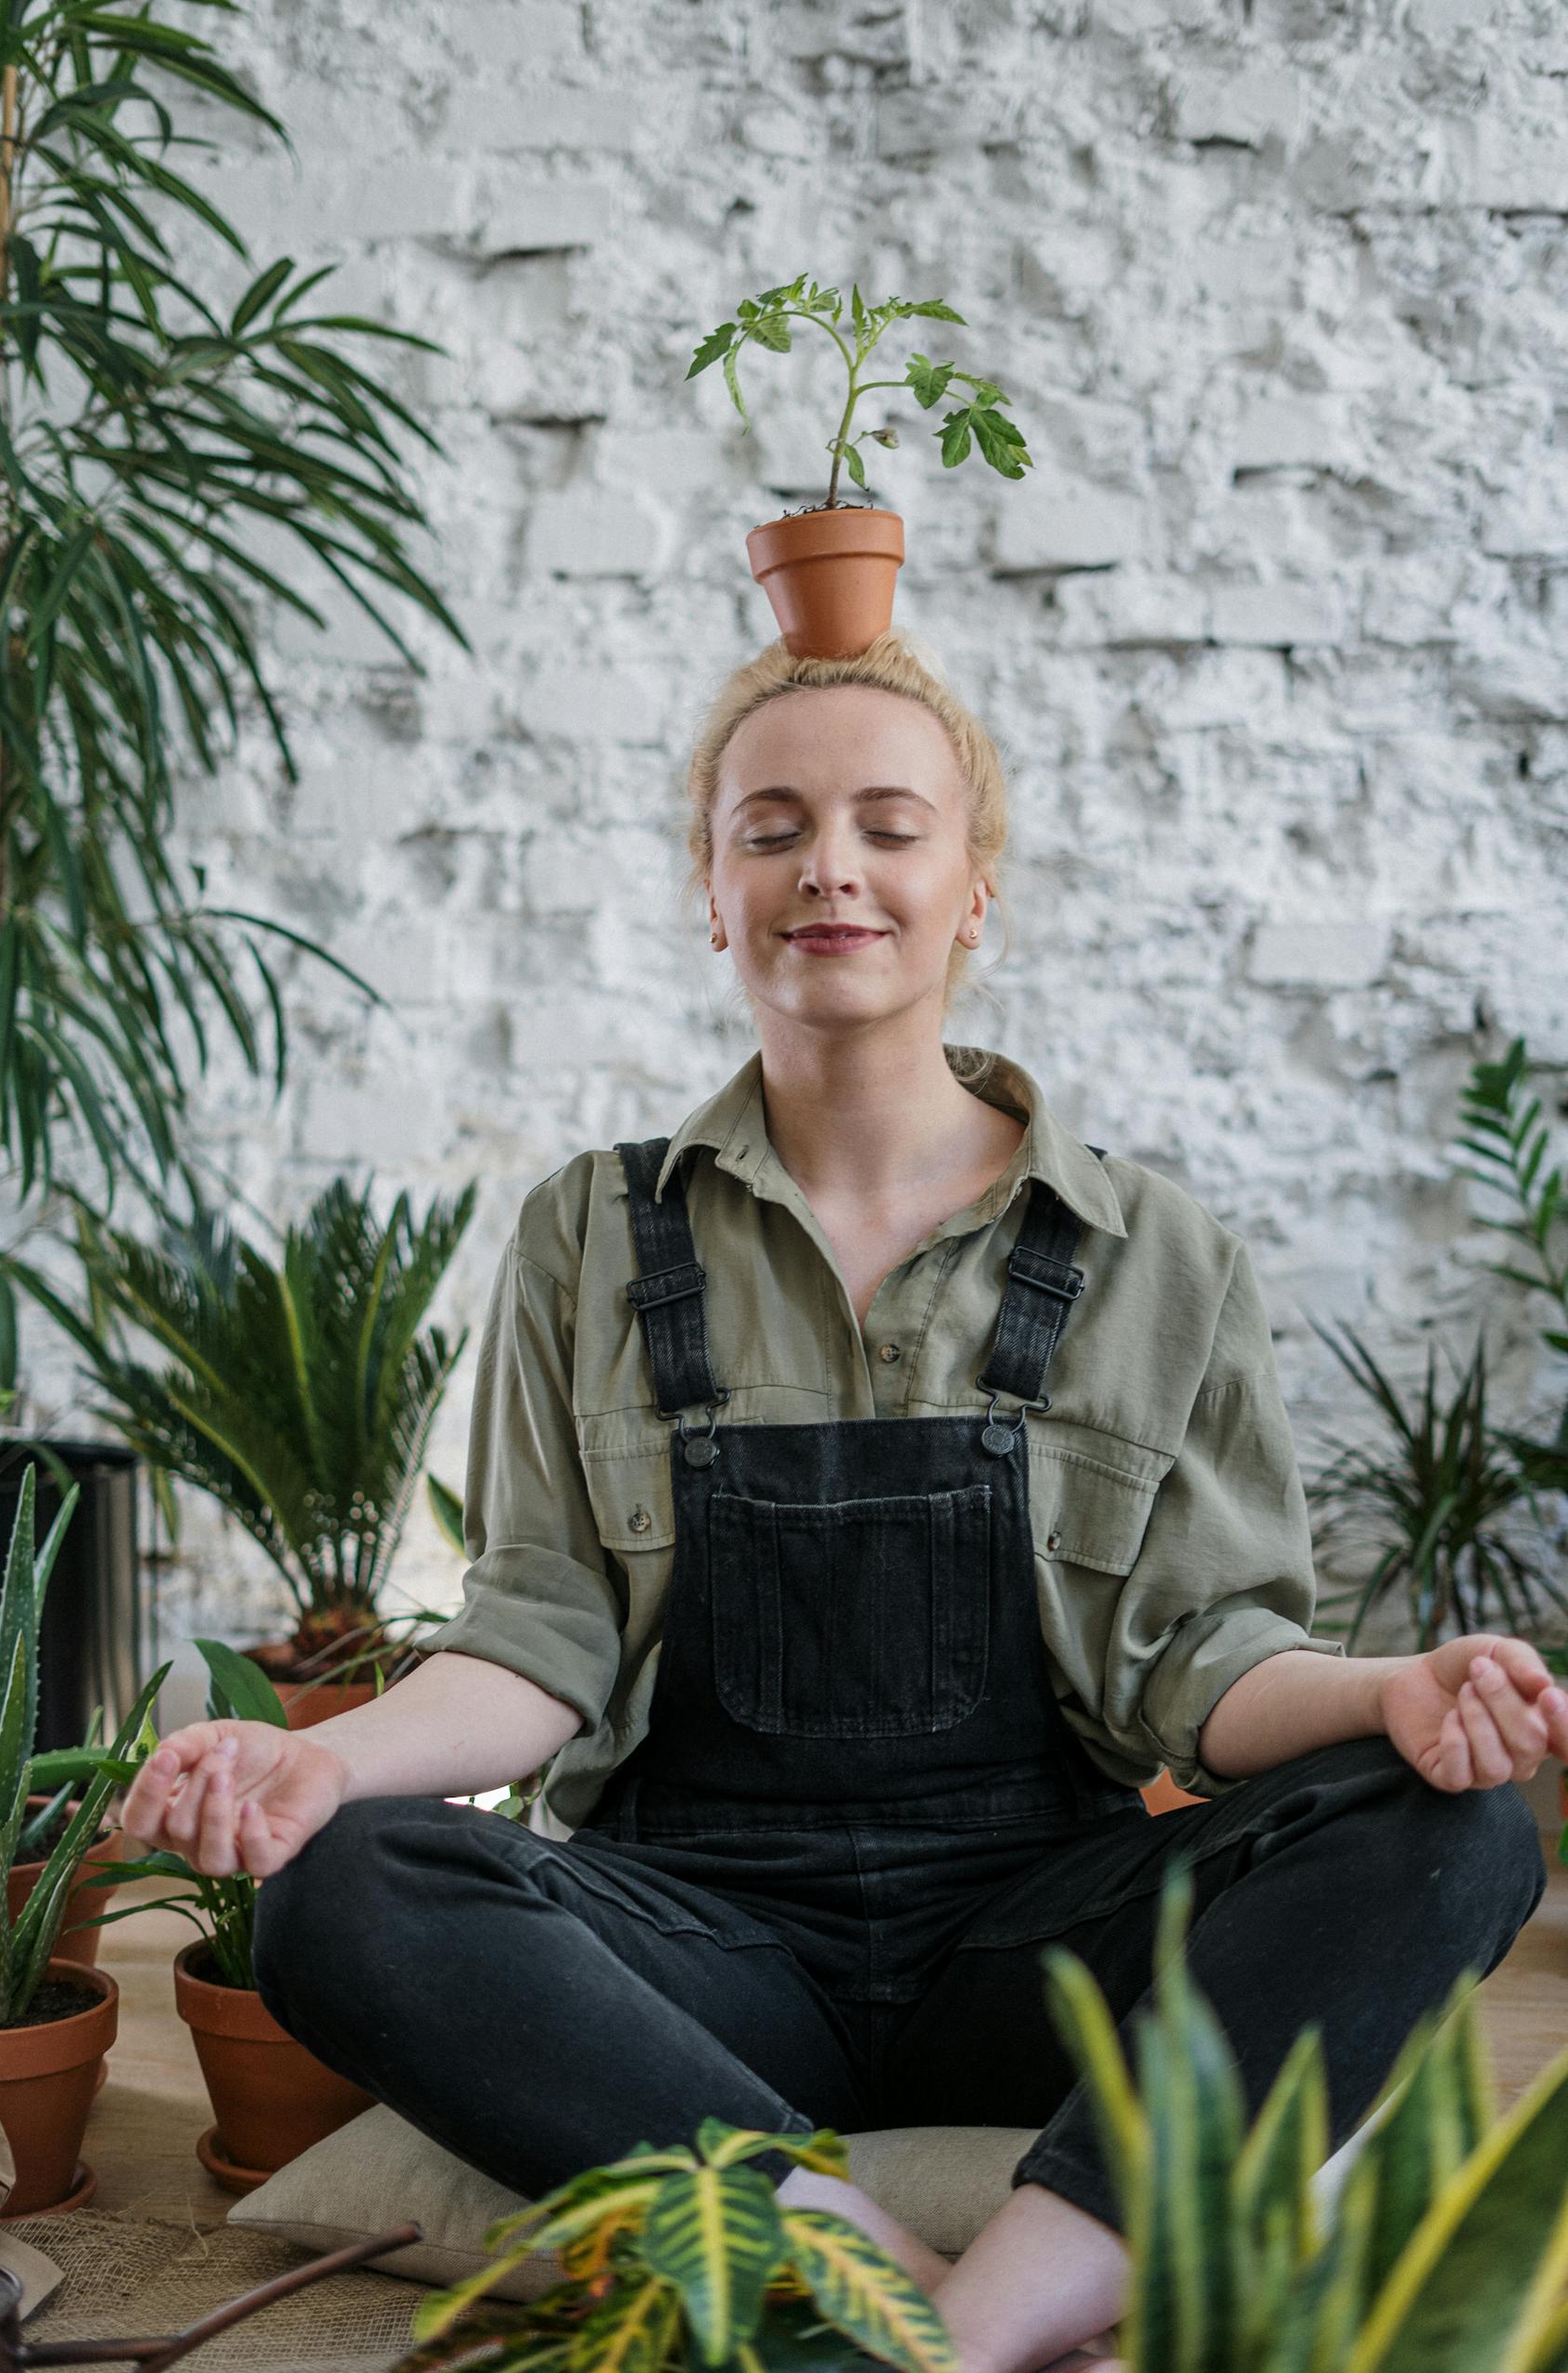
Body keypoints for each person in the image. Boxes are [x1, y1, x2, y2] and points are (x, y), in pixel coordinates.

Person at [119, 631, 1554, 2373]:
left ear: (974, 892)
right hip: (694, 1957)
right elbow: (538, 1642)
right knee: (340, 1892)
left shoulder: (1152, 1251)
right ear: (712, 894)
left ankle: (987, 2308)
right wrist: (311, 1766)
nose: (832, 868)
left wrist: (1392, 1698)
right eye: (771, 826)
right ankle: (880, 2267)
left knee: (1457, 1827)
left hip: (1036, 1950)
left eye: (891, 825)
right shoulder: (592, 1231)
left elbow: (1199, 1658)